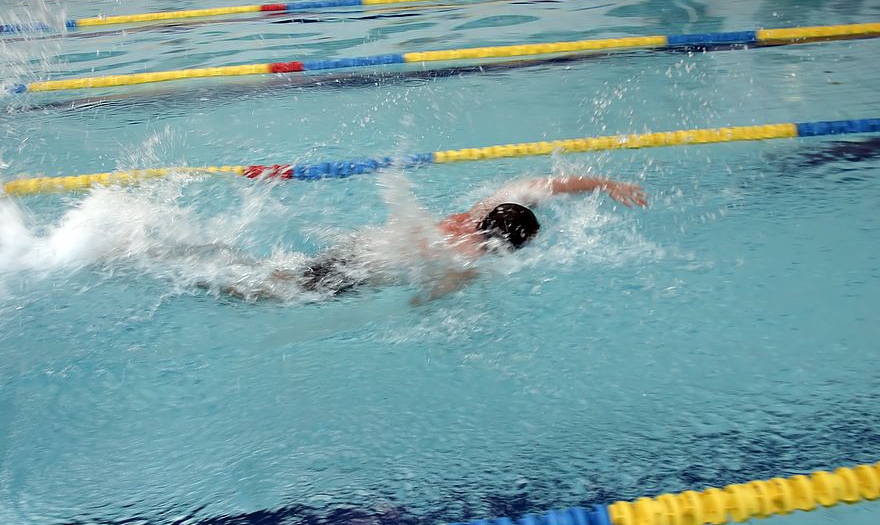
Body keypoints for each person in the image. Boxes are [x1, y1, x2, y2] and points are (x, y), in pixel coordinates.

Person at [222, 174, 646, 304]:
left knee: (280, 274)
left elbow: (541, 184)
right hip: (361, 271)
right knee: (268, 292)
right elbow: (425, 300)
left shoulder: (478, 212)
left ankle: (211, 262)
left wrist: (603, 183)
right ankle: (198, 272)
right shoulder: (469, 261)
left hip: (362, 246)